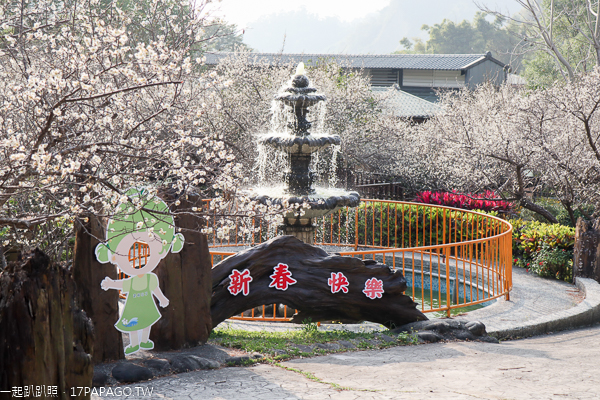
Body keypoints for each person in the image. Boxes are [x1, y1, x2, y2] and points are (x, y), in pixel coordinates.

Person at [96, 188, 184, 355]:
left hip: (147, 305)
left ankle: (144, 340)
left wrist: (163, 299)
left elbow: (155, 290)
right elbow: (121, 283)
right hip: (134, 306)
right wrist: (109, 284)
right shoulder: (132, 280)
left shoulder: (151, 278)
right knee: (134, 324)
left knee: (146, 322)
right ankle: (135, 343)